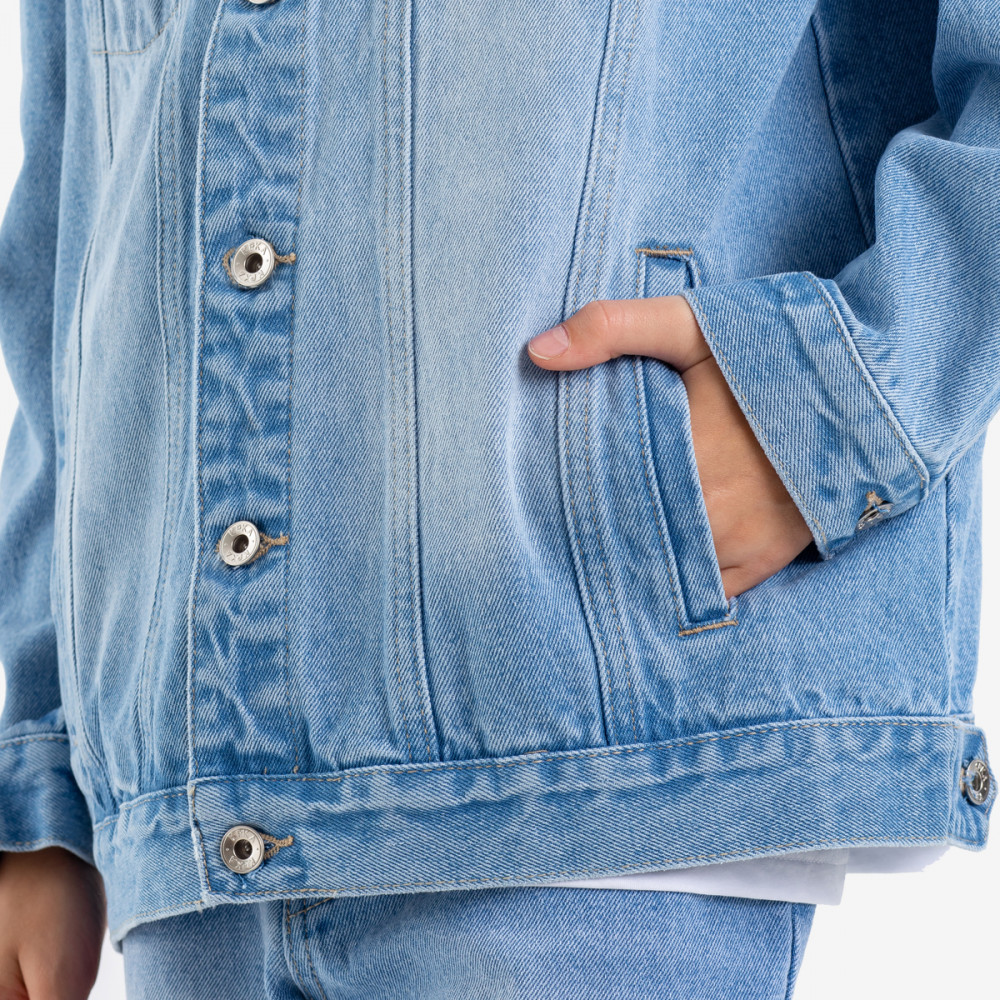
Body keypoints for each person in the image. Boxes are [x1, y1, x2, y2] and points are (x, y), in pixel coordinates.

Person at [0, 0, 997, 996]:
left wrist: (829, 407)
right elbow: (78, 196)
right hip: (185, 808)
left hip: (596, 744)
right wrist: (44, 774)